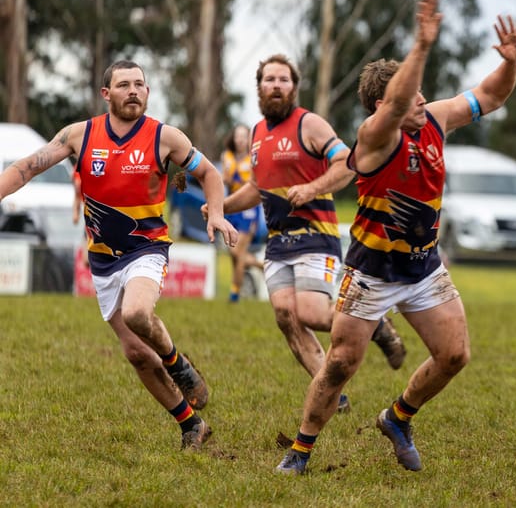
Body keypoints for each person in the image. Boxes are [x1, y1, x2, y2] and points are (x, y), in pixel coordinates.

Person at [276, 0, 516, 475]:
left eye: (421, 93)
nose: (422, 99)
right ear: (383, 105)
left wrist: (510, 63)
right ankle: (300, 451)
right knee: (341, 364)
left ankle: (398, 417)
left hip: (423, 267)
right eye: (412, 95)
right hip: (371, 272)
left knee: (454, 355)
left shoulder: (436, 118)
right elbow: (396, 102)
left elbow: (490, 96)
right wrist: (422, 46)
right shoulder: (375, 136)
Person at [0, 60, 237, 451]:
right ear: (106, 93)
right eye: (124, 84)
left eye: (140, 84)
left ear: (147, 92)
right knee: (137, 353)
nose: (133, 91)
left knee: (137, 313)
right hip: (103, 260)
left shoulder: (165, 137)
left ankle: (177, 363)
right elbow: (27, 167)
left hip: (147, 249)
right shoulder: (79, 135)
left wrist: (217, 213)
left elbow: (210, 174)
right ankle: (191, 425)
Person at [210, 53, 407, 399]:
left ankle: (373, 322)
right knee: (286, 316)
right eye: (269, 79)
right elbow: (257, 187)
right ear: (259, 87)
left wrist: (312, 188)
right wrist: (219, 206)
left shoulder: (309, 124)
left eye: (283, 80)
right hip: (278, 241)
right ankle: (331, 395)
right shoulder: (257, 133)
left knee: (313, 314)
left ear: (294, 87)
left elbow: (348, 163)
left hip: (316, 235)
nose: (276, 85)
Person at [220, 123, 264, 302]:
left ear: (249, 139)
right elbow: (224, 179)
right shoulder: (226, 156)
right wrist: (225, 179)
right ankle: (259, 267)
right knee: (234, 254)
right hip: (232, 207)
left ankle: (234, 295)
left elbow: (256, 184)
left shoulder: (253, 158)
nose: (240, 140)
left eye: (244, 136)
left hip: (249, 209)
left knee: (238, 252)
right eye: (237, 136)